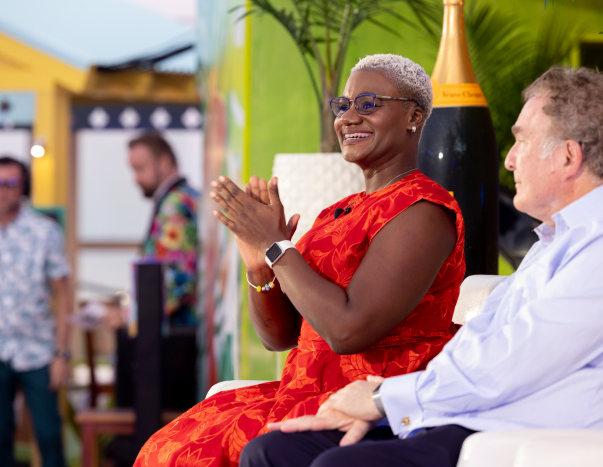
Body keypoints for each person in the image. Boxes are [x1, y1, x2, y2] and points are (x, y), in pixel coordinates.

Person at [241, 65, 603, 467]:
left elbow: (509, 362)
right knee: (272, 452)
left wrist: (384, 398)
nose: (509, 161)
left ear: (568, 157)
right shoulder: (563, 238)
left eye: (522, 142)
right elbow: (481, 343)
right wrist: (387, 401)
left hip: (524, 439)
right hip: (470, 416)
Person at [134, 54, 466, 466]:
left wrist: (277, 246)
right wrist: (259, 265)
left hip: (370, 402)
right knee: (172, 446)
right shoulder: (338, 212)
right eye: (343, 106)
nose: (349, 117)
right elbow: (282, 334)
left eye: (368, 104)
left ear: (413, 116)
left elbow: (347, 331)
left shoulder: (423, 210)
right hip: (307, 389)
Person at [0, 156, 71, 467]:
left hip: (38, 351)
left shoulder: (45, 232)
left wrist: (62, 354)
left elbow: (64, 295)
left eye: (9, 183)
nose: (2, 191)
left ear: (23, 186)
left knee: (49, 436)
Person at [126, 131, 200, 327]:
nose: (136, 179)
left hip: (177, 329)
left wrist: (132, 316)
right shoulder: (187, 197)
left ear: (164, 162)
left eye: (140, 169)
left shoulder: (173, 205)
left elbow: (177, 279)